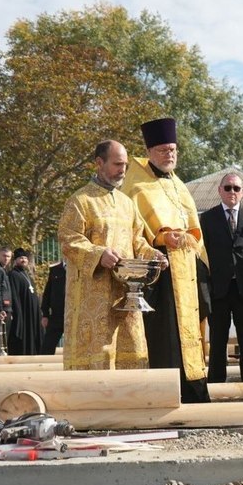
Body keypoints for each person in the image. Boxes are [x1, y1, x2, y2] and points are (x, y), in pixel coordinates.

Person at [120, 118, 210, 403]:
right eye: (162, 150)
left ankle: (194, 391)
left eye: (173, 150)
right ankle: (168, 394)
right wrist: (161, 238)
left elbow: (193, 224)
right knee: (167, 336)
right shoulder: (136, 184)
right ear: (150, 152)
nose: (169, 155)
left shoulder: (179, 185)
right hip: (160, 271)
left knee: (190, 334)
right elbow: (133, 227)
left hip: (187, 268)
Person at [59, 140, 167, 369]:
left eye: (125, 165)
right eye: (117, 164)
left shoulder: (127, 203)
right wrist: (99, 254)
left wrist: (153, 255)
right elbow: (69, 240)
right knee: (97, 356)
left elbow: (137, 240)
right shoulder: (80, 201)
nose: (123, 170)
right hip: (93, 297)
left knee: (132, 353)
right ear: (99, 163)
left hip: (126, 295)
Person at [200, 172, 243, 383]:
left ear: (242, 192)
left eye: (236, 188)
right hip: (218, 291)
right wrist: (205, 291)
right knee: (218, 340)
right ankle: (215, 385)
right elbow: (202, 257)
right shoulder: (208, 218)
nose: (232, 192)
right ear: (220, 190)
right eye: (228, 187)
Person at [7, 248, 44, 355]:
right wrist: (17, 312)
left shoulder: (27, 274)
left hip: (32, 313)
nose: (23, 260)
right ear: (15, 260)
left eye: (25, 258)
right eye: (20, 258)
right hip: (23, 311)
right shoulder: (13, 274)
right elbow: (14, 295)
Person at [40, 261, 66, 355]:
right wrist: (45, 314)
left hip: (75, 315)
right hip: (57, 315)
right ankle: (43, 368)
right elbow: (47, 293)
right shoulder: (55, 270)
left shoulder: (80, 268)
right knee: (47, 347)